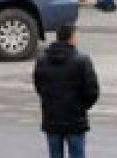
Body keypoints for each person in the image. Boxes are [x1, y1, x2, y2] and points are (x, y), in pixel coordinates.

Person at [32, 24, 100, 158]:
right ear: (71, 38)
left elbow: (39, 86)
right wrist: (82, 106)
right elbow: (92, 90)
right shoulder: (82, 60)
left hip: (51, 117)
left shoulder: (42, 61)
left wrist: (49, 101)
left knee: (55, 154)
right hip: (75, 119)